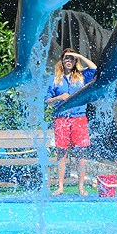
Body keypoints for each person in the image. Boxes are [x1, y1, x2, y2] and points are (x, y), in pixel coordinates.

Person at [45, 48, 97, 196]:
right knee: (61, 154)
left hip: (79, 118)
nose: (69, 60)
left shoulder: (82, 77)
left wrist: (79, 55)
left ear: (75, 61)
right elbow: (47, 101)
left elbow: (94, 68)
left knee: (81, 155)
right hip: (61, 119)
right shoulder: (55, 79)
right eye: (66, 58)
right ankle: (60, 187)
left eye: (72, 58)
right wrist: (58, 98)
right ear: (62, 60)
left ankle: (81, 188)